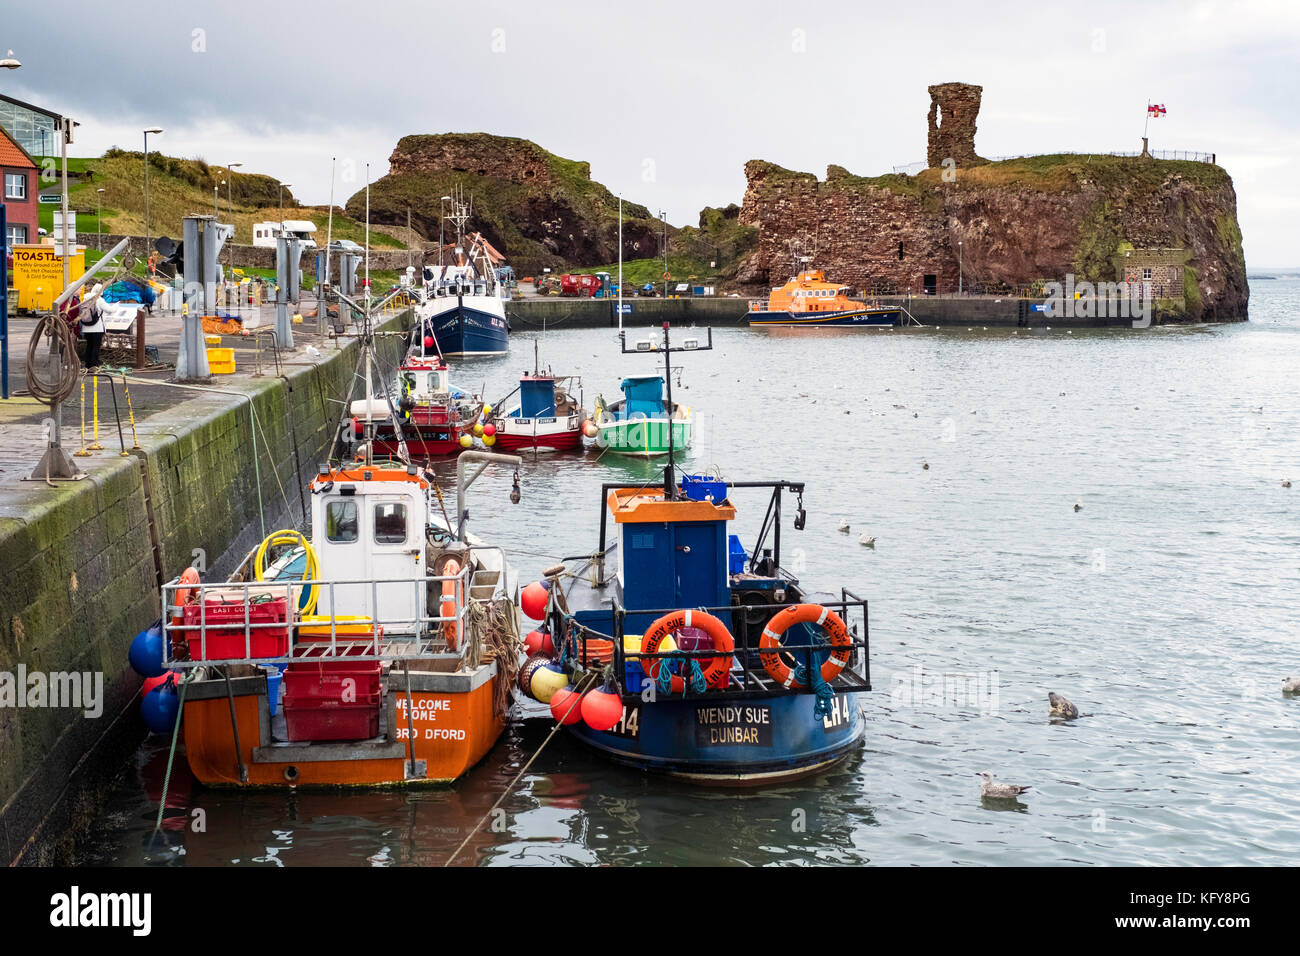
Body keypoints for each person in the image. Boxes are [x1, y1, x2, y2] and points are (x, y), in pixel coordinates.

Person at [80, 283, 106, 369]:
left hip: (86, 327)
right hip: (97, 327)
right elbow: (110, 310)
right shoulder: (99, 299)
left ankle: (87, 364)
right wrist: (117, 305)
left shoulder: (85, 298)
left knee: (89, 345)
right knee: (96, 346)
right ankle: (94, 364)